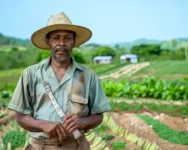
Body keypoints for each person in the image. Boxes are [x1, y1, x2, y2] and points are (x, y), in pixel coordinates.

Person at [8, 12, 111, 150]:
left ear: (74, 42)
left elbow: (98, 116)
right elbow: (20, 117)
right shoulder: (30, 74)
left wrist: (82, 122)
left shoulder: (88, 76)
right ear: (48, 41)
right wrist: (42, 125)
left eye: (67, 38)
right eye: (56, 38)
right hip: (41, 146)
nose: (61, 43)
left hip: (75, 146)